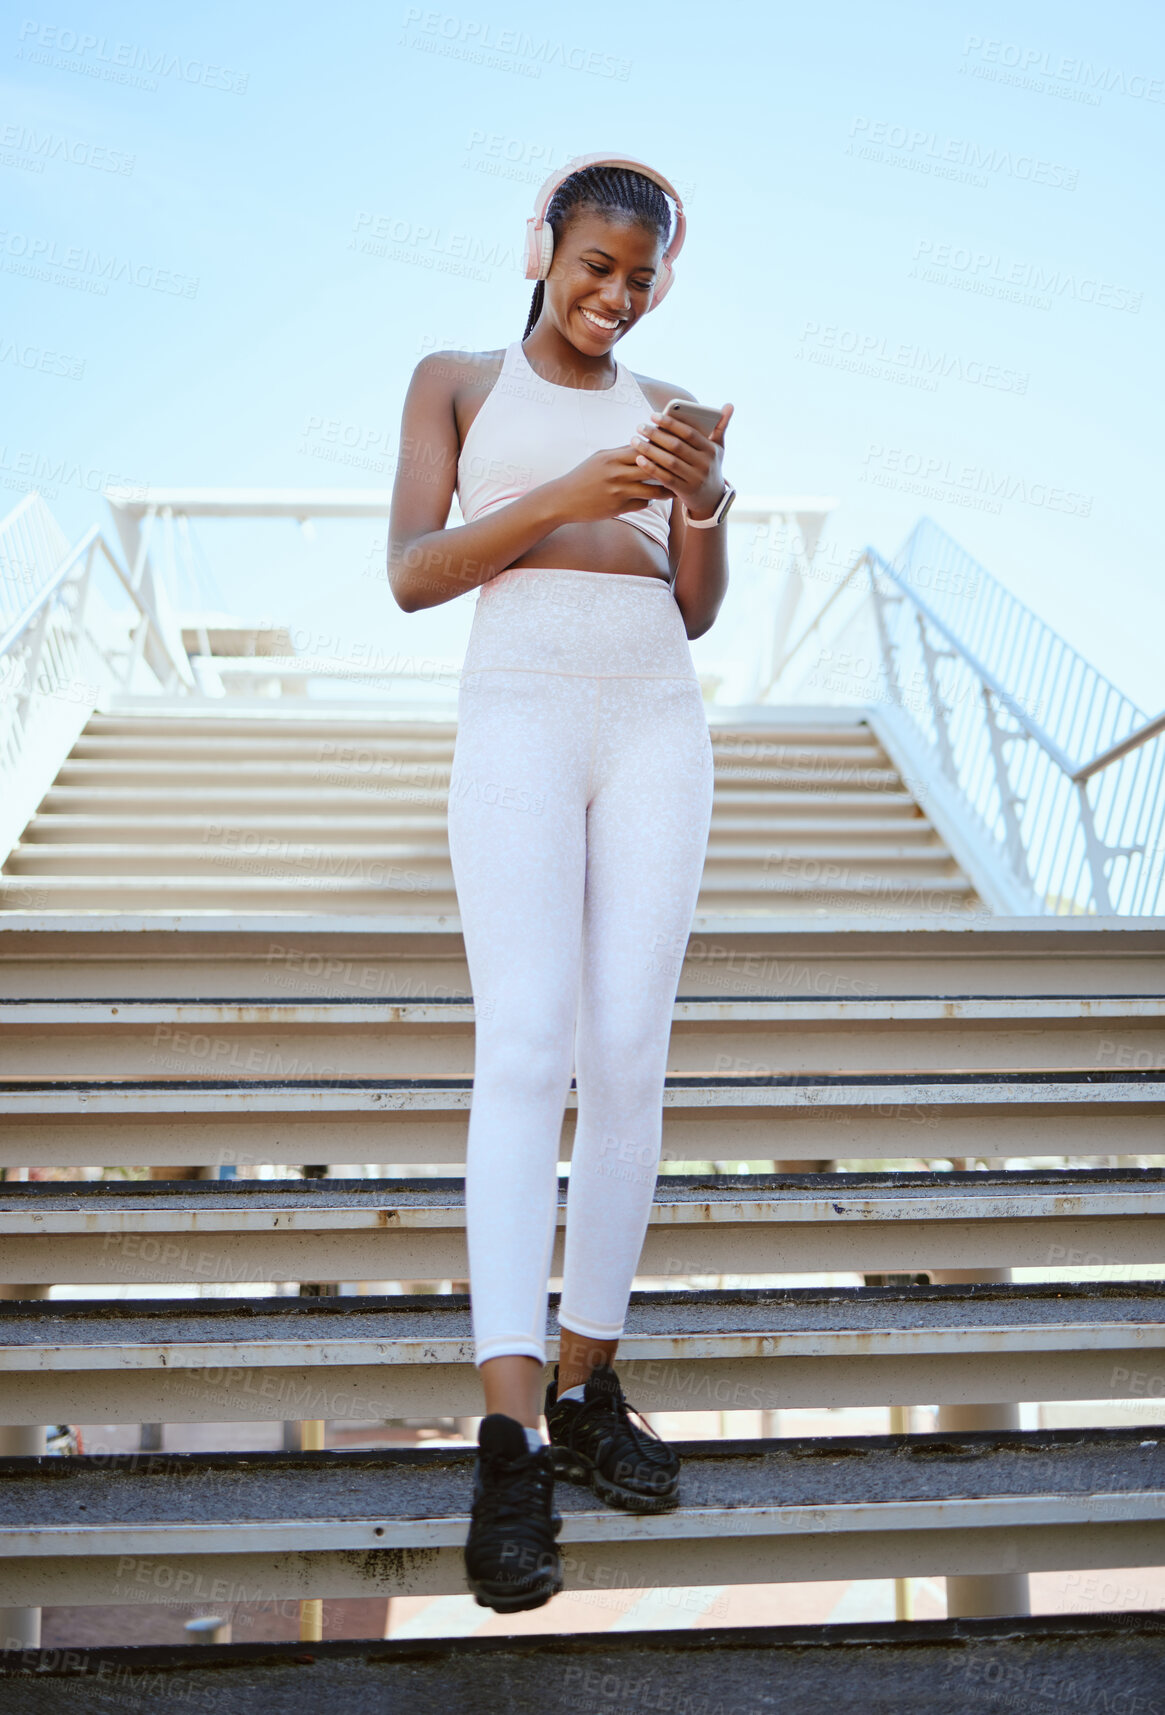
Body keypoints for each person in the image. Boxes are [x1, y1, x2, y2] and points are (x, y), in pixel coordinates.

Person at [387, 152, 735, 1613]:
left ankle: (588, 1380)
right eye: (596, 264)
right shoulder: (455, 380)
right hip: (518, 707)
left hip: (652, 715)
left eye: (640, 277)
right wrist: (567, 491)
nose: (615, 295)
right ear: (542, 247)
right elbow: (411, 570)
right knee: (525, 1046)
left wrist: (705, 500)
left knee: (629, 1053)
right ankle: (509, 1424)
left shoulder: (668, 411)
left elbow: (695, 608)